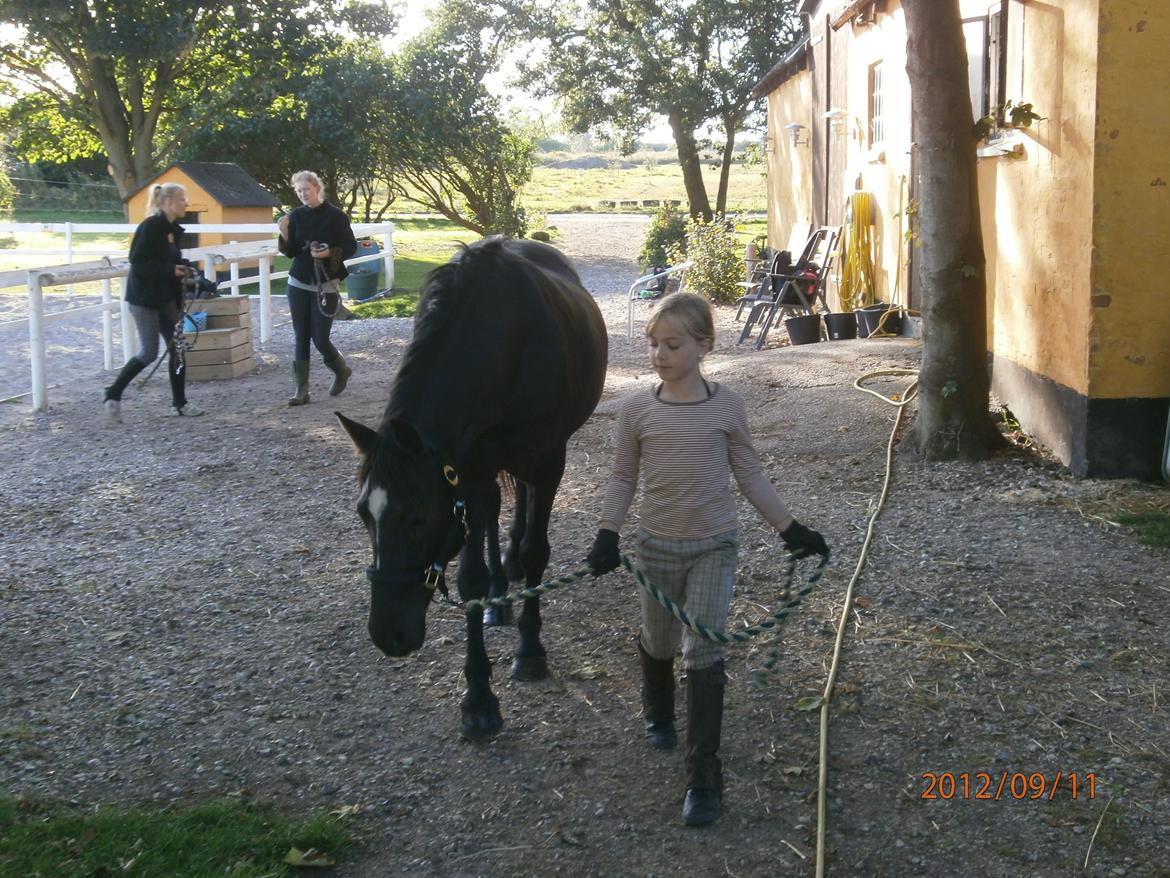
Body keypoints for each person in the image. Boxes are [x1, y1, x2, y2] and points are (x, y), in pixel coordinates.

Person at [585, 292, 829, 827]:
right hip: (655, 549)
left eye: (672, 344)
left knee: (703, 649)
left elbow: (749, 472)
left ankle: (702, 775)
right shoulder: (636, 410)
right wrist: (608, 533)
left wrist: (790, 528)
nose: (659, 354)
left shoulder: (727, 407)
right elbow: (624, 477)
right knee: (660, 641)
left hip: (714, 547)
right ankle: (658, 710)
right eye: (653, 344)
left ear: (703, 346)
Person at [103, 182, 204, 421]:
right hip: (144, 299)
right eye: (182, 199)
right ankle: (113, 392)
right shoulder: (150, 227)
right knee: (149, 352)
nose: (185, 203)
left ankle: (179, 403)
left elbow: (168, 260)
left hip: (165, 297)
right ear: (168, 201)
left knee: (177, 349)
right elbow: (138, 262)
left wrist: (183, 267)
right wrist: (171, 270)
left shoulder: (171, 230)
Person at [276, 170, 358, 406]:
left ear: (317, 189)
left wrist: (329, 252)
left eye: (306, 190)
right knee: (301, 336)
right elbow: (290, 251)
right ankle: (301, 389)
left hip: (327, 283)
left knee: (320, 339)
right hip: (299, 281)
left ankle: (341, 370)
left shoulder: (336, 216)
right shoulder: (295, 216)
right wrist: (284, 234)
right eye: (299, 191)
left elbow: (350, 247)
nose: (303, 194)